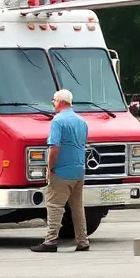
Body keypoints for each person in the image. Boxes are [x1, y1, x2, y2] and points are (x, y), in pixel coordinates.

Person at [31, 89, 90, 253]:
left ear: (61, 102)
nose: (53, 103)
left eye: (54, 100)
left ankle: (50, 241)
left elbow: (54, 147)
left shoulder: (58, 121)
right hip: (78, 171)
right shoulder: (82, 122)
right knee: (78, 208)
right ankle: (83, 241)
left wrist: (50, 168)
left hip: (62, 172)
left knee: (55, 206)